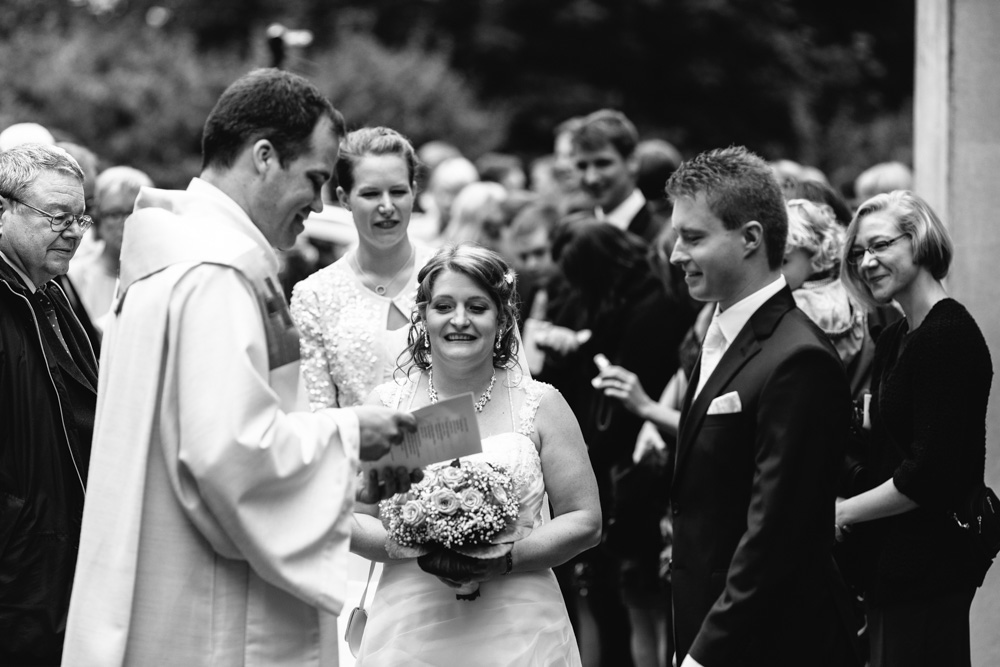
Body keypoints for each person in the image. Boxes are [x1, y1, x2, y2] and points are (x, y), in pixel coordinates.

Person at [61, 68, 420, 667]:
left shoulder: (172, 255)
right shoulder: (217, 275)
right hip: (213, 610)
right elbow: (231, 452)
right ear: (263, 157)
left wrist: (344, 480)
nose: (319, 203)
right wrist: (353, 434)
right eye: (315, 177)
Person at [351, 243, 602, 666]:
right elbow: (356, 516)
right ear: (424, 315)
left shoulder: (541, 404)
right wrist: (422, 546)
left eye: (477, 306)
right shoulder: (389, 406)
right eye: (444, 306)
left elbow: (585, 520)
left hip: (520, 625)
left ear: (502, 318)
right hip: (411, 626)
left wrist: (505, 559)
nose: (460, 320)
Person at [666, 146, 858, 667]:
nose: (675, 255)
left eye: (693, 238)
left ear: (751, 238)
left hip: (771, 642)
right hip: (711, 622)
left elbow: (777, 532)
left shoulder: (798, 359)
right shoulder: (722, 332)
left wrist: (706, 654)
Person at [835, 190, 991, 667]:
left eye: (880, 245)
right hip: (892, 566)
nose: (866, 261)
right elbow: (882, 449)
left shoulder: (948, 336)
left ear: (919, 240)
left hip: (929, 568)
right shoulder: (896, 337)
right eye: (860, 251)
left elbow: (928, 474)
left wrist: (841, 513)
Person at [0, 143, 98, 665]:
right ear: (3, 211)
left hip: (61, 561)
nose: (75, 231)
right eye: (56, 216)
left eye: (80, 217)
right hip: (19, 576)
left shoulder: (52, 290)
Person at [292, 126, 434, 410]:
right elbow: (317, 412)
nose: (386, 206)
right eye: (370, 194)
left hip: (456, 447)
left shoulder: (449, 274)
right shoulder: (315, 295)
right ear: (345, 198)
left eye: (397, 192)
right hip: (355, 451)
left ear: (414, 191)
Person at [68, 166, 153, 332]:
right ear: (98, 217)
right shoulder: (75, 277)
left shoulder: (160, 275)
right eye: (115, 214)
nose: (125, 222)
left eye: (133, 212)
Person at [570, 109, 665, 244]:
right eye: (582, 166)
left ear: (632, 161)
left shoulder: (661, 238)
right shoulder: (575, 235)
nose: (591, 178)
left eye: (602, 164)